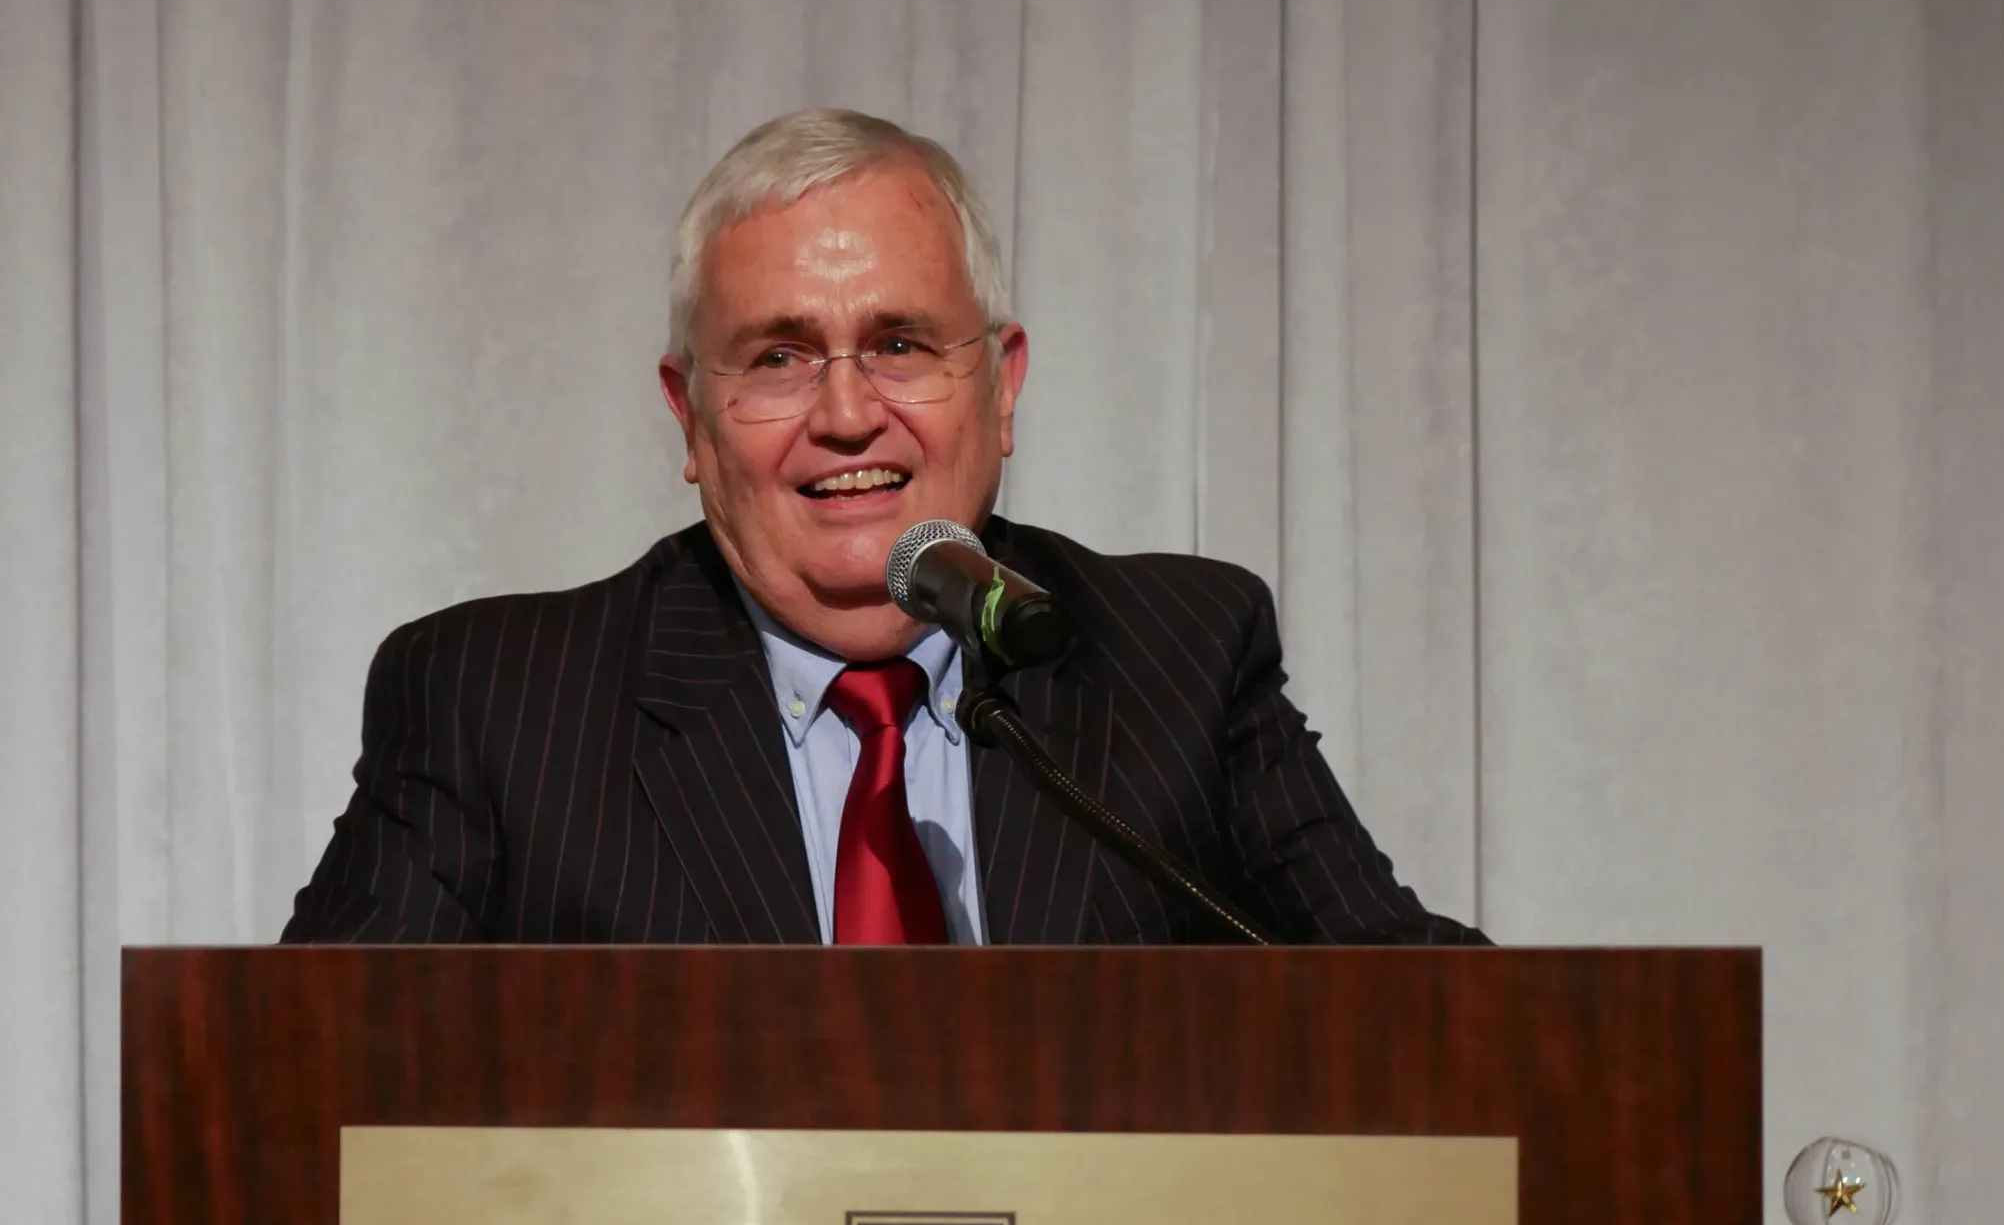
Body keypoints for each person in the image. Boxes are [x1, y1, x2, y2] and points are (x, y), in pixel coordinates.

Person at [282, 109, 1483, 947]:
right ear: (688, 417)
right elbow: (303, 1091)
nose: (849, 416)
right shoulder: (493, 704)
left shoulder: (1178, 655)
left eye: (901, 345)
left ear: (1000, 384)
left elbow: (1423, 1016)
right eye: (778, 357)